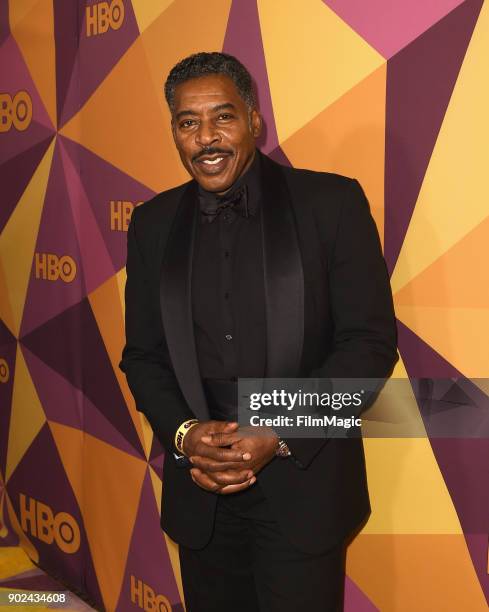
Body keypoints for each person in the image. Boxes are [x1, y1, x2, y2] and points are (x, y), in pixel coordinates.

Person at [119, 52, 398, 612]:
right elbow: (143, 355)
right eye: (188, 122)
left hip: (303, 484)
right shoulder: (152, 223)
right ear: (174, 131)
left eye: (222, 117)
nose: (206, 138)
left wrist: (277, 427)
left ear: (253, 121)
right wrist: (185, 436)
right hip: (203, 491)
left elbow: (368, 344)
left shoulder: (331, 203)